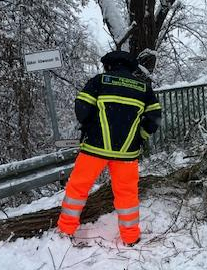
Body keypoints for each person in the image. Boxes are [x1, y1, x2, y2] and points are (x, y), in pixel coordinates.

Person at [57, 50, 162, 246]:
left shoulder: (99, 81)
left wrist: (92, 128)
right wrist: (139, 136)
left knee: (77, 188)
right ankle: (130, 237)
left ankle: (65, 230)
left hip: (94, 149)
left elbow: (82, 109)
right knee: (127, 195)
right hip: (127, 153)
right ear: (131, 67)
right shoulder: (143, 88)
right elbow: (154, 119)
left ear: (109, 65)